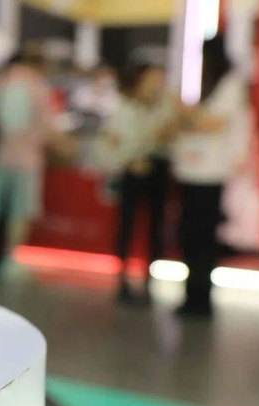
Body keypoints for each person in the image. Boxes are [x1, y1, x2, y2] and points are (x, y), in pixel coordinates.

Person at [173, 36, 249, 318]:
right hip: (194, 172)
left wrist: (185, 113)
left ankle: (200, 299)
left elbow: (213, 124)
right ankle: (193, 295)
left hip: (210, 175)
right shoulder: (214, 86)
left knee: (201, 237)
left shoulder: (230, 85)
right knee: (192, 236)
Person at [0, 52, 54, 280]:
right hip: (27, 160)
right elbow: (47, 127)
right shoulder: (38, 87)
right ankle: (10, 258)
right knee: (19, 210)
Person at [100, 63, 177, 305]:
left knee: (155, 227)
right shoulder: (124, 108)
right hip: (131, 172)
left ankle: (148, 280)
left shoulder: (166, 107)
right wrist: (128, 161)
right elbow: (111, 144)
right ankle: (123, 279)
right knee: (127, 225)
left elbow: (168, 138)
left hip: (157, 171)